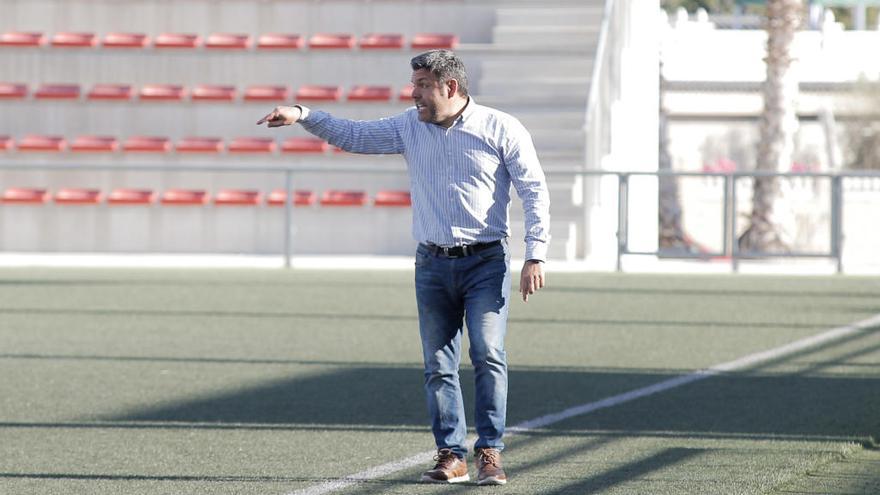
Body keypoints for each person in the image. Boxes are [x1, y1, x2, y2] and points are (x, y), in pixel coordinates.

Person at [257, 49, 550, 485]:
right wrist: (304, 114)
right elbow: (354, 135)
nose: (413, 94)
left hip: (486, 261)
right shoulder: (409, 126)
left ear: (449, 87)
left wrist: (535, 253)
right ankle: (451, 454)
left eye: (422, 86)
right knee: (437, 363)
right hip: (431, 262)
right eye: (413, 85)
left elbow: (534, 190)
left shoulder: (501, 128)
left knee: (488, 353)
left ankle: (489, 451)